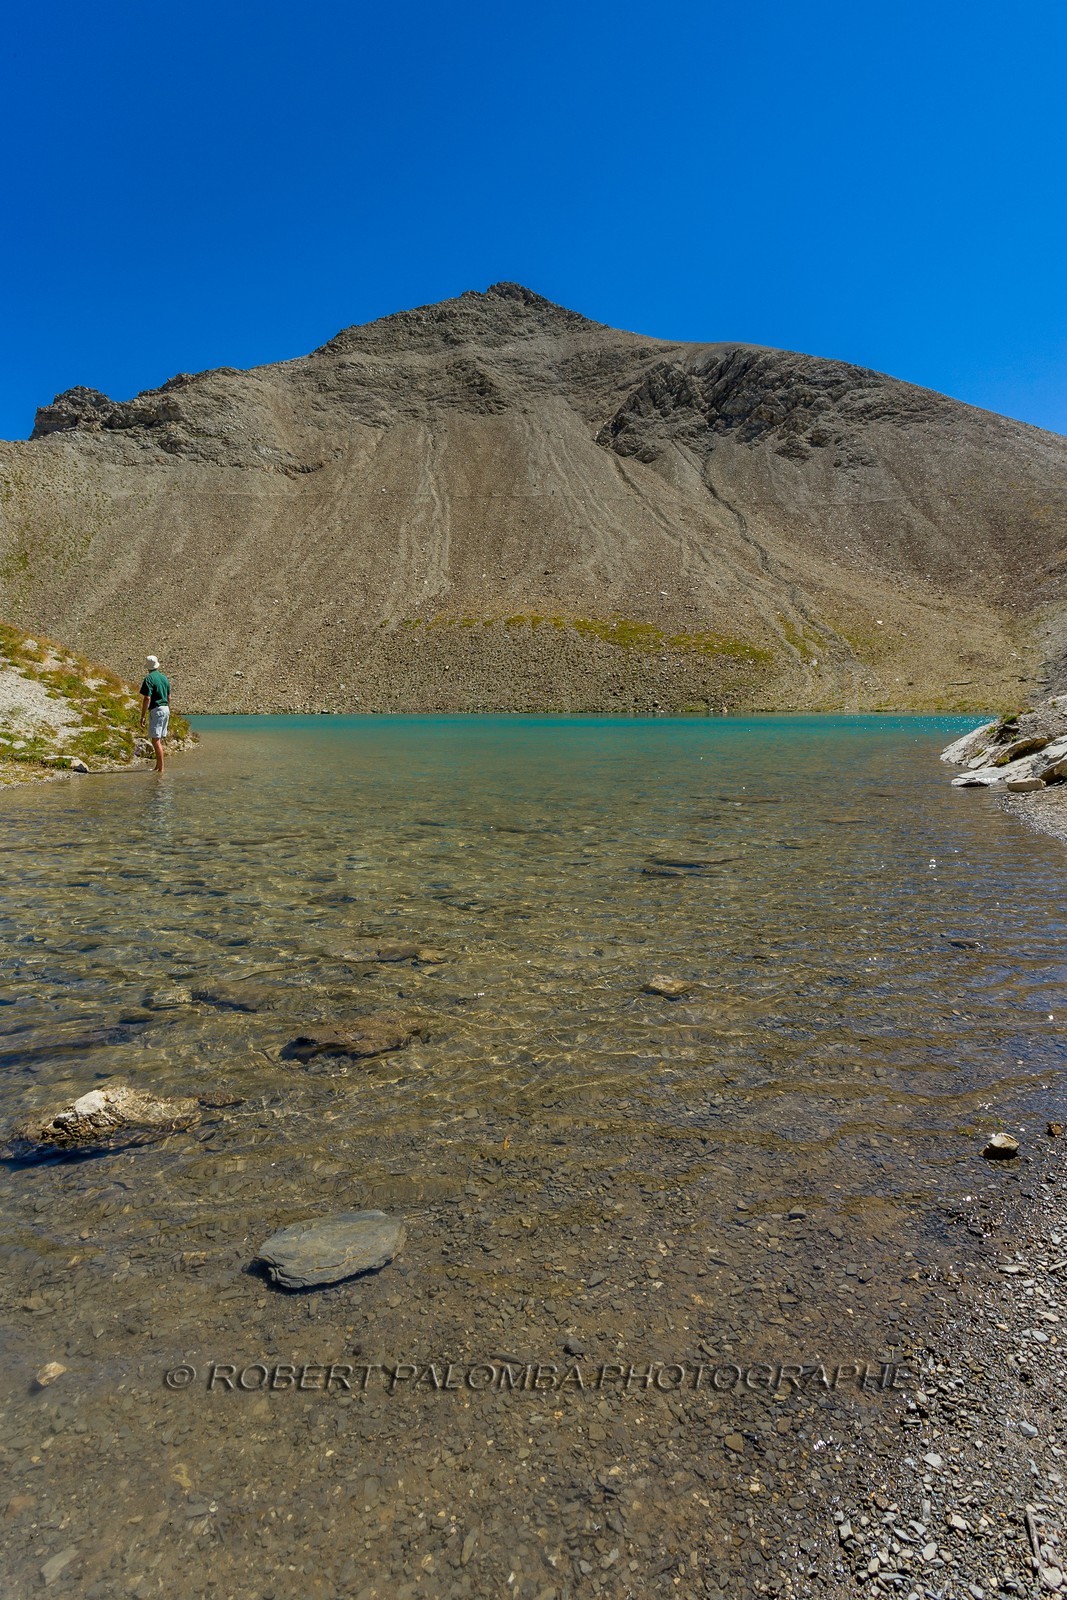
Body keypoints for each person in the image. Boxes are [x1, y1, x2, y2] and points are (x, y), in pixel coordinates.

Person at [139, 654, 171, 774]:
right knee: (159, 739)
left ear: (148, 667)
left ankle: (161, 769)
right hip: (166, 708)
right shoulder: (164, 678)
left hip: (156, 709)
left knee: (155, 740)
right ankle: (157, 766)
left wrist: (143, 716)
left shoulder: (149, 679)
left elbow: (147, 698)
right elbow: (169, 697)